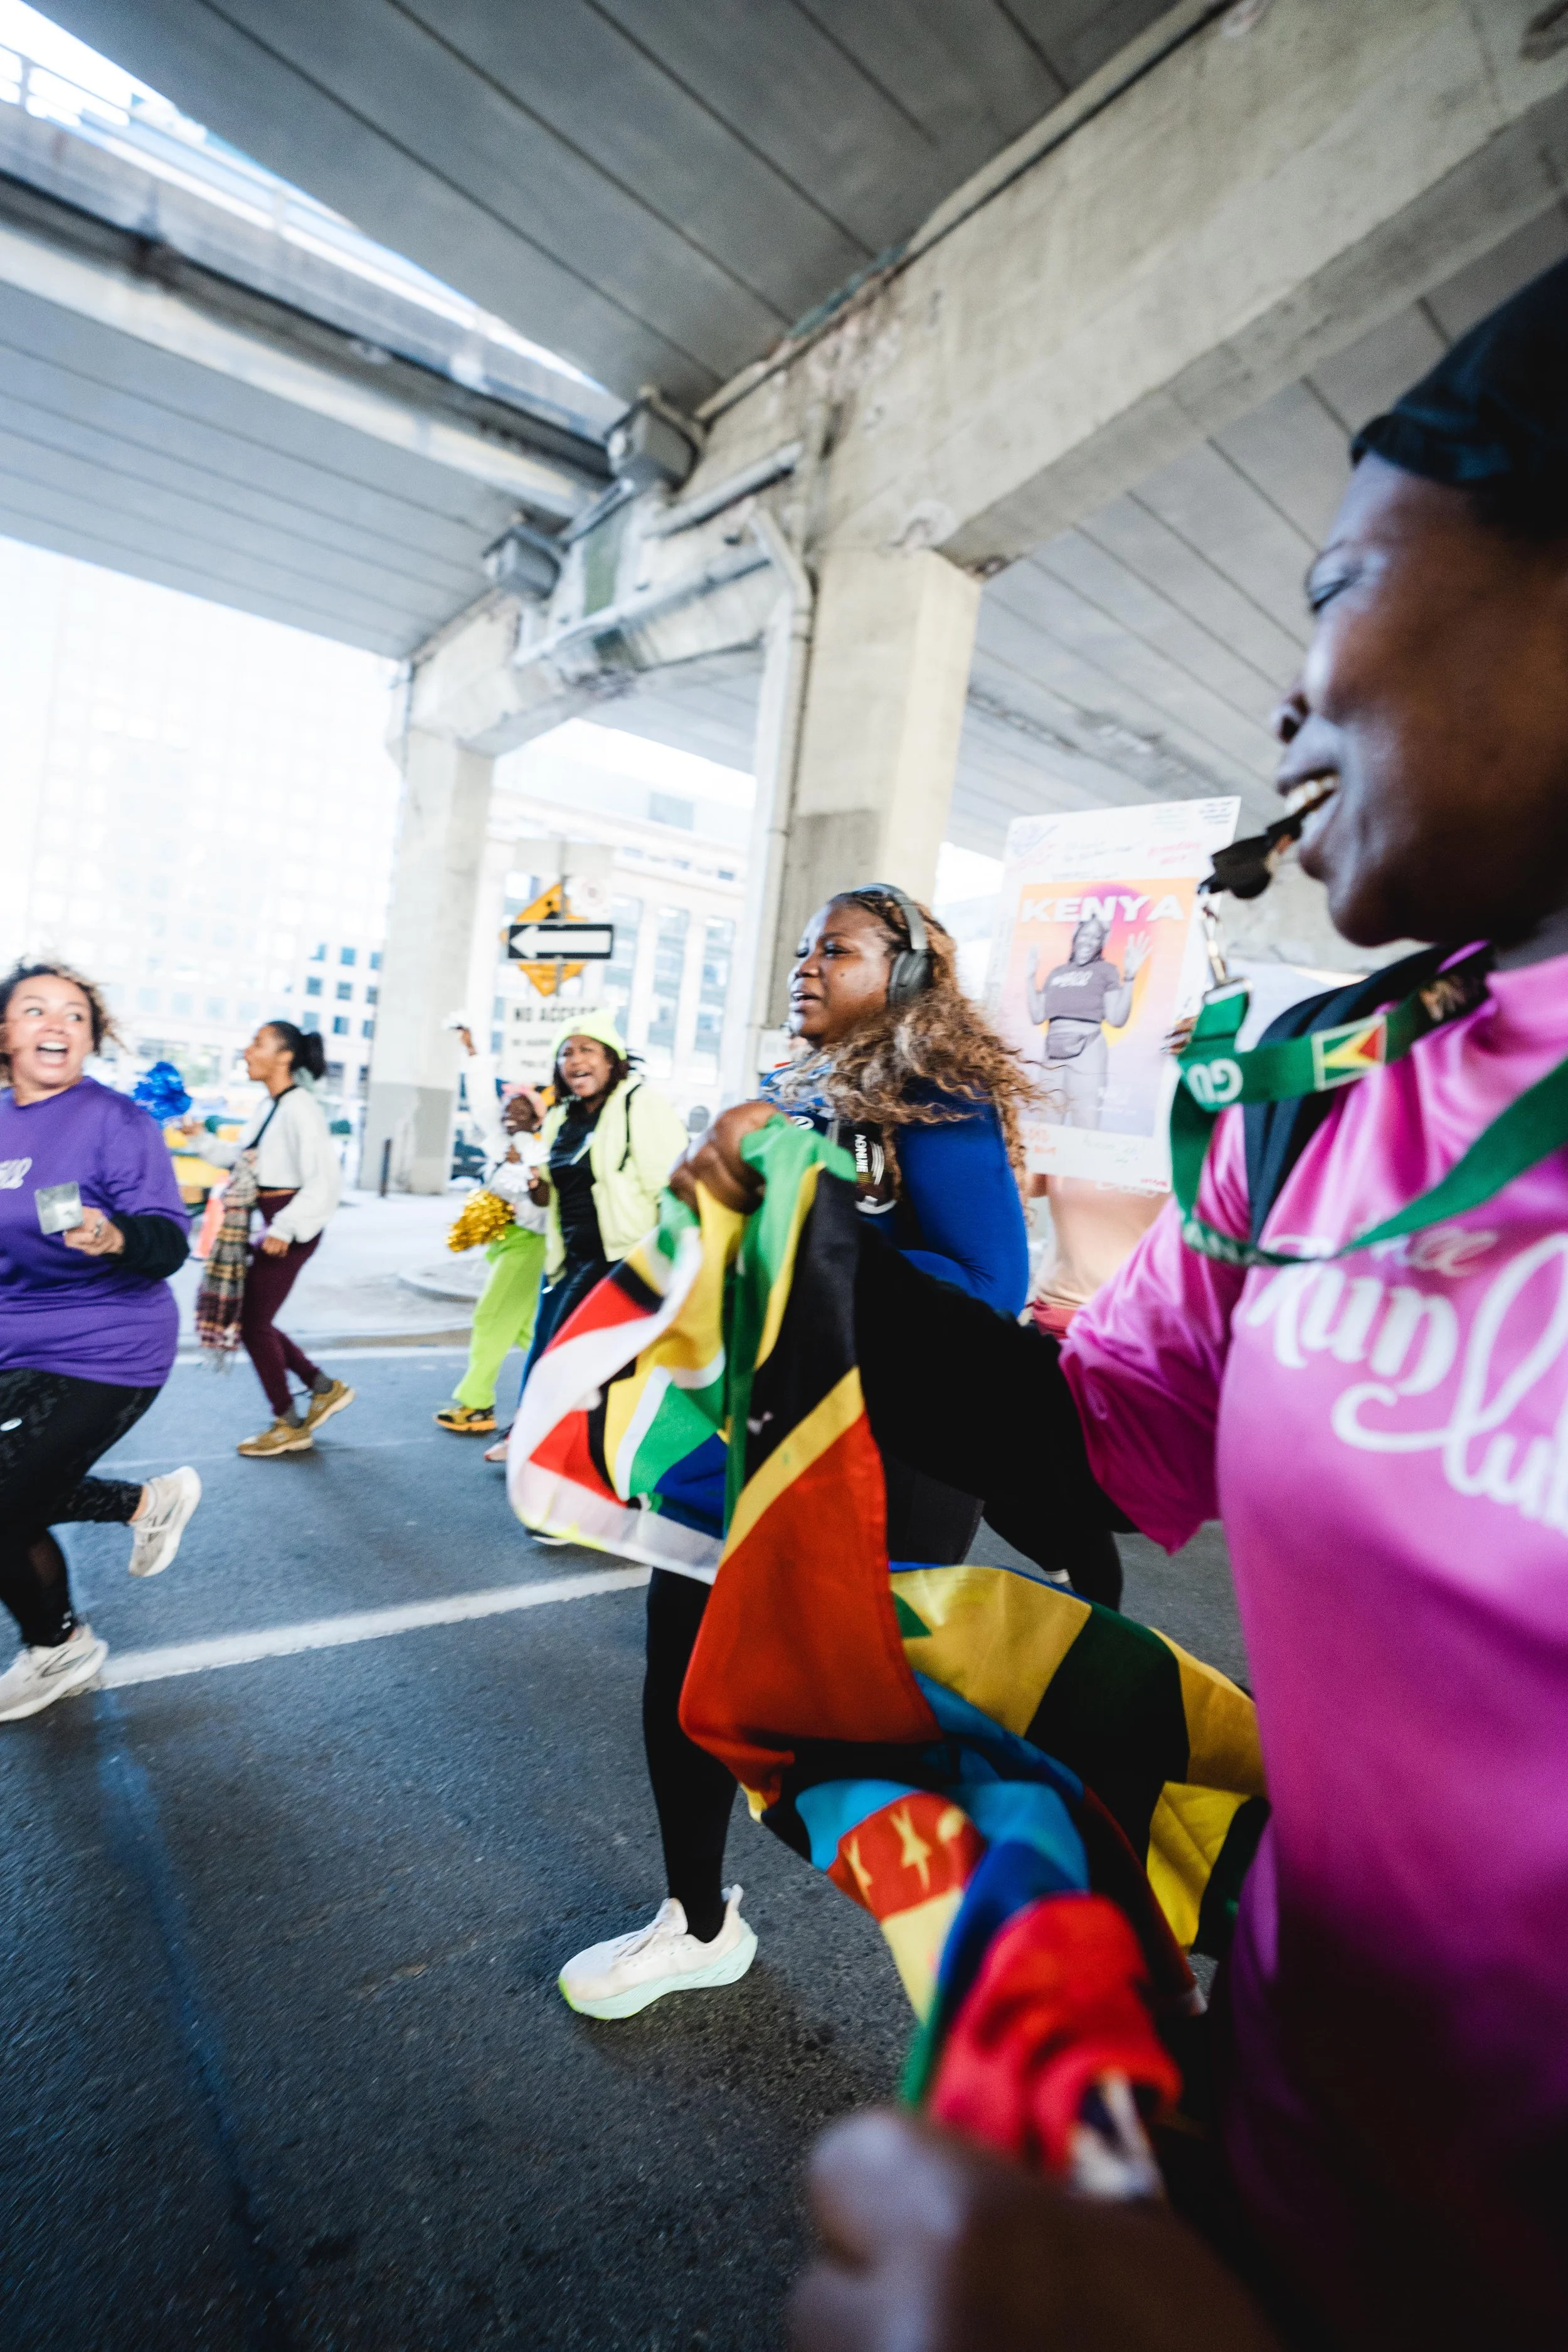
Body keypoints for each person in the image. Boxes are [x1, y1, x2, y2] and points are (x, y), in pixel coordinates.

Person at [686, 262, 1568, 2351]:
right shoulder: (1327, 1100)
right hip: (1254, 2163)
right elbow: (1088, 1436)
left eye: (1343, 583)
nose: (1289, 702)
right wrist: (802, 1253)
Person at [558, 885, 1034, 2022]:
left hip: (894, 1452)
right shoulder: (789, 1093)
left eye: (840, 948)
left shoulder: (933, 1095)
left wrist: (817, 1246)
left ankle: (1027, 1967)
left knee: (884, 1724)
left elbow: (990, 1288)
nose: (807, 964)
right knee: (682, 1680)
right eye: (804, 946)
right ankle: (698, 1924)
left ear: (907, 971)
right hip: (751, 1434)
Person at [0, 962, 201, 1720]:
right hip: (15, 1341)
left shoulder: (116, 1120)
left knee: (3, 1503)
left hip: (108, 1346)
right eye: (35, 1010)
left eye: (74, 1015)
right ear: (6, 1034)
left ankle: (56, 1649)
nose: (56, 1025)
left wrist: (115, 1235)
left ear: (90, 1036)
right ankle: (144, 1506)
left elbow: (167, 1243)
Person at [482, 1007, 686, 1462]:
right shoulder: (562, 1118)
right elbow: (546, 1199)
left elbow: (671, 1186)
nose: (575, 1061)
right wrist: (534, 1184)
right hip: (569, 1255)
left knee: (568, 1355)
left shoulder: (639, 1103)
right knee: (545, 1345)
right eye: (566, 1053)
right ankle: (539, 1435)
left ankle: (550, 1448)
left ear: (612, 1060)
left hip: (623, 1256)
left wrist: (673, 1261)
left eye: (587, 1050)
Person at [196, 1020, 351, 1459]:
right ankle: (323, 1388)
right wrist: (201, 1140)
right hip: (270, 1220)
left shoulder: (301, 1107)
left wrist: (284, 1228)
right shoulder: (272, 1106)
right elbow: (245, 1159)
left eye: (257, 1043)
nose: (247, 1051)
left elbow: (325, 1181)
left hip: (287, 1226)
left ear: (285, 1056)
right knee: (254, 1319)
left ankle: (289, 1422)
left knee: (252, 1323)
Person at [435, 1026, 548, 1436]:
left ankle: (476, 1403)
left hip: (529, 1244)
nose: (509, 1114)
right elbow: (483, 1098)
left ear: (538, 1118)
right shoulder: (501, 1140)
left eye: (521, 1110)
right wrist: (474, 1053)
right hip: (503, 1244)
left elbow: (544, 1204)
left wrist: (529, 1172)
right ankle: (574, 1389)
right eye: (507, 1109)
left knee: (490, 1317)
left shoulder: (541, 1149)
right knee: (526, 1330)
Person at [1025, 913, 1150, 1130]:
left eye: (1096, 937)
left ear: (1101, 943)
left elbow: (1116, 1019)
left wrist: (1130, 977)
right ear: (1075, 937)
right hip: (1053, 1053)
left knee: (1085, 1120)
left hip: (1088, 1050)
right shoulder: (1057, 973)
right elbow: (1037, 1015)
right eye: (1084, 934)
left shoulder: (1106, 971)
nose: (1088, 941)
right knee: (1047, 1122)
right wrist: (1029, 977)